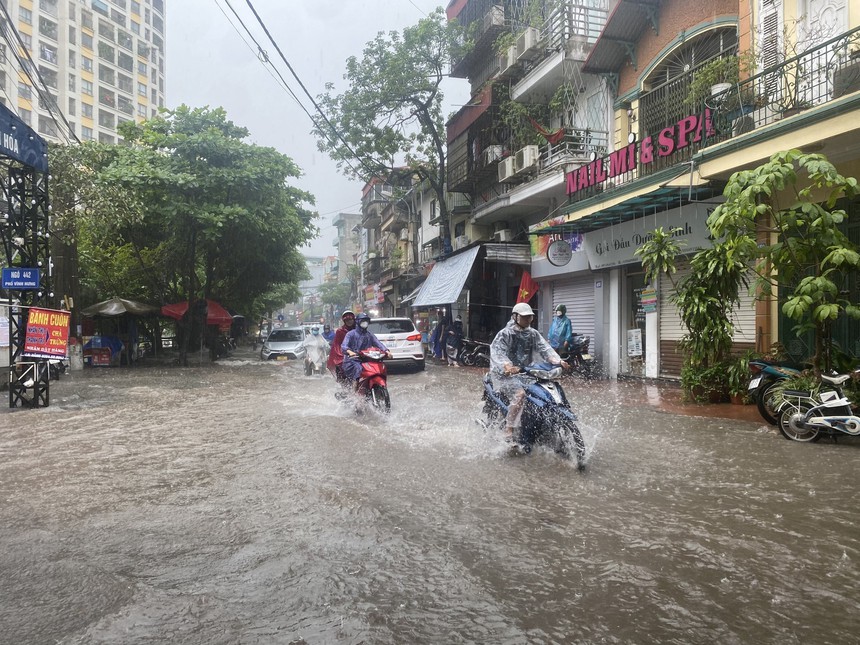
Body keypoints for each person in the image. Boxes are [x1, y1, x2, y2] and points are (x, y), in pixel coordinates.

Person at [489, 302, 569, 443]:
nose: (528, 320)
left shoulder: (533, 333)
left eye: (530, 317)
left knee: (544, 393)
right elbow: (498, 352)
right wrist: (507, 366)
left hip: (526, 373)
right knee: (520, 394)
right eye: (524, 317)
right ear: (515, 317)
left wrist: (558, 361)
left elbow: (545, 349)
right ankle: (509, 428)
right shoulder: (505, 334)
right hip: (505, 375)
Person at [341, 313, 392, 384]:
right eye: (363, 321)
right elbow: (344, 346)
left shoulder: (369, 335)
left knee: (379, 366)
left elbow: (378, 343)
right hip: (352, 360)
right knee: (358, 368)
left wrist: (386, 351)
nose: (365, 323)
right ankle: (355, 384)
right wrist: (350, 352)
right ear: (358, 322)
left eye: (366, 321)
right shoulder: (350, 334)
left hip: (367, 359)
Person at [327, 310, 356, 384]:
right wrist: (344, 355)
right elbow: (337, 346)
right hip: (343, 355)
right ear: (344, 321)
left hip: (357, 353)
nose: (349, 322)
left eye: (351, 319)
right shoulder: (340, 331)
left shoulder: (358, 330)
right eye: (347, 320)